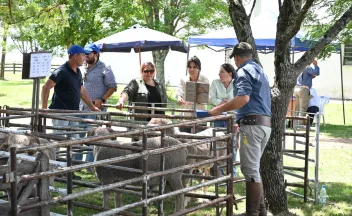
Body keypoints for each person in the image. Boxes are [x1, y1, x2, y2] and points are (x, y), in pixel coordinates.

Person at [209, 42, 271, 216]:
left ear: (236, 58)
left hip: (252, 125)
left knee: (250, 169)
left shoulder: (243, 72)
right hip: (265, 124)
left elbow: (243, 98)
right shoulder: (261, 71)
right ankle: (262, 211)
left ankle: (252, 212)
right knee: (254, 168)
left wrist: (219, 109)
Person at [42, 45, 99, 179]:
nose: (85, 58)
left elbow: (82, 91)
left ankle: (69, 171)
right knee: (58, 141)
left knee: (74, 142)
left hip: (73, 113)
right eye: (82, 55)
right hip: (60, 113)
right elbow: (46, 87)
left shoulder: (77, 72)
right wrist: (44, 108)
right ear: (74, 55)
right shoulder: (61, 71)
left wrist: (91, 106)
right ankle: (54, 171)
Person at [74, 43, 117, 162]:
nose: (86, 56)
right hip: (81, 107)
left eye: (88, 53)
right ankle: (76, 162)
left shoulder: (105, 68)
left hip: (95, 108)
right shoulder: (82, 67)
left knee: (93, 135)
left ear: (96, 54)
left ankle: (89, 164)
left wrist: (102, 99)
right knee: (79, 135)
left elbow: (112, 86)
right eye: (84, 53)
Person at [209, 63, 238, 176]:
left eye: (222, 72)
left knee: (232, 144)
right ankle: (219, 173)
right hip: (218, 117)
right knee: (217, 144)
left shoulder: (236, 84)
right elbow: (211, 98)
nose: (219, 74)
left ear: (229, 73)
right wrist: (222, 103)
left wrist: (228, 104)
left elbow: (238, 99)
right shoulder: (215, 83)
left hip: (232, 118)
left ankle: (232, 173)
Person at [176, 56, 209, 132]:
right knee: (184, 141)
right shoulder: (182, 79)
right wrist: (179, 97)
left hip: (200, 117)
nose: (191, 69)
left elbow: (205, 97)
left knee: (199, 142)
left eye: (194, 67)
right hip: (185, 117)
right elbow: (179, 90)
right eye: (189, 67)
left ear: (199, 68)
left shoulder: (205, 79)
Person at [293, 60, 320, 125]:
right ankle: (300, 124)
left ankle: (294, 124)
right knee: (303, 108)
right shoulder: (307, 67)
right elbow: (317, 73)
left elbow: (304, 77)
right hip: (304, 89)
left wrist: (310, 77)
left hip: (297, 88)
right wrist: (316, 65)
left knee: (297, 107)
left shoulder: (299, 67)